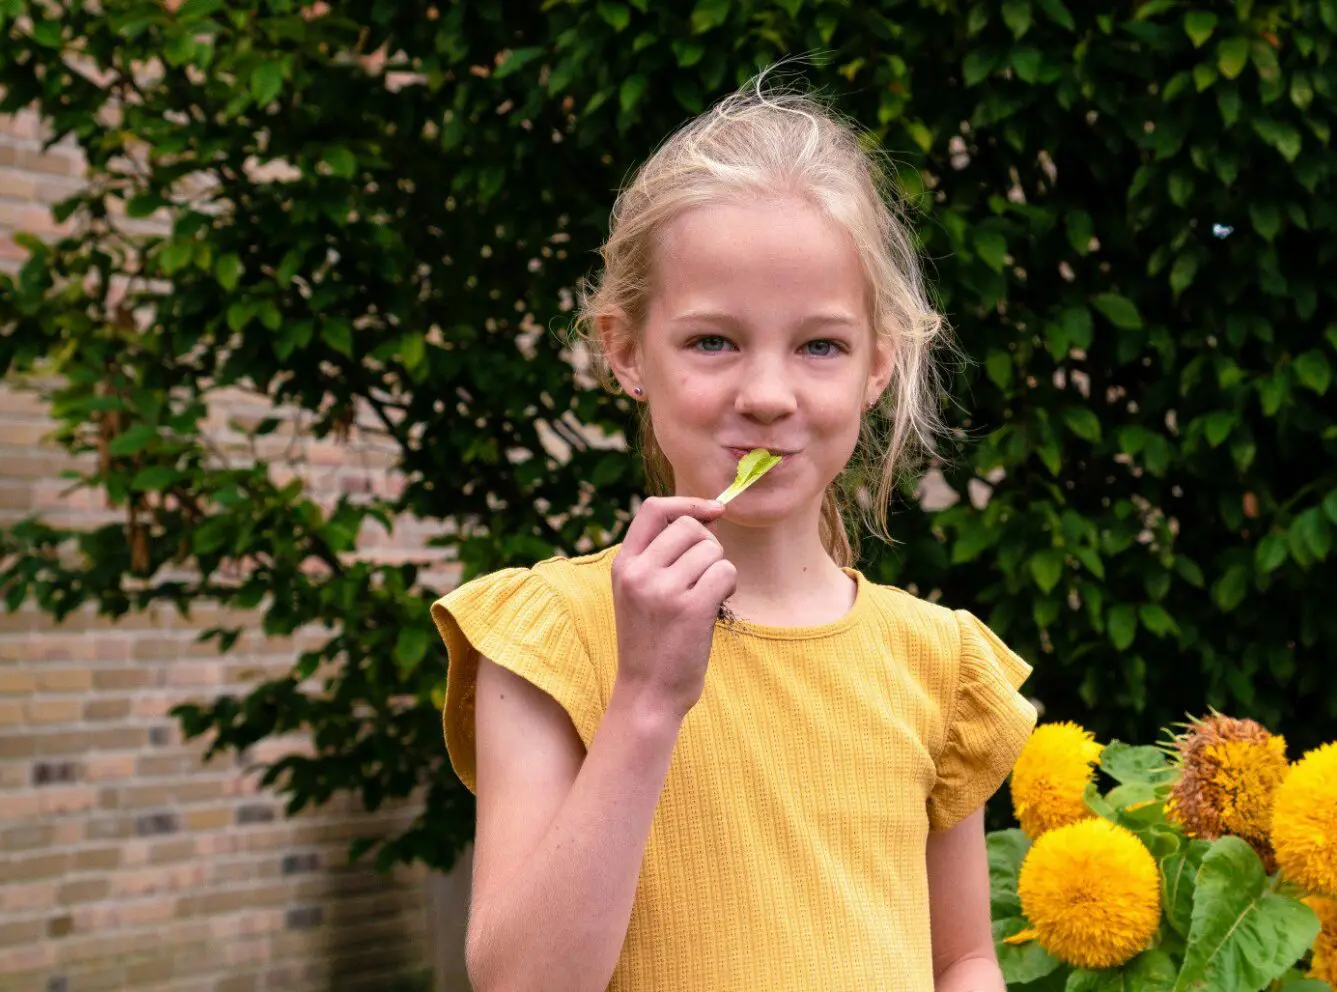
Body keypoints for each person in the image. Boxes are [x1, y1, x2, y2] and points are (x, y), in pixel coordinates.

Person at [429, 74, 1039, 992]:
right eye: (713, 341)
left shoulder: (937, 663)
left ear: (879, 366)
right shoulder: (548, 637)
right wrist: (645, 698)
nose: (766, 393)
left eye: (820, 346)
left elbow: (960, 959)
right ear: (626, 351)